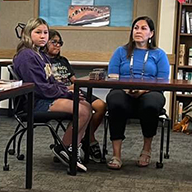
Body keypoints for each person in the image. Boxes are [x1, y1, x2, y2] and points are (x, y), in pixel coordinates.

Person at [12, 18, 93, 172]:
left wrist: (68, 91)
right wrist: (67, 94)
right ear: (28, 34)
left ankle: (69, 147)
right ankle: (66, 148)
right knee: (82, 109)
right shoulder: (27, 56)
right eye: (38, 32)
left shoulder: (40, 55)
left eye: (45, 32)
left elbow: (51, 82)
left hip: (45, 97)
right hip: (35, 102)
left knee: (87, 107)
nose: (43, 36)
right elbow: (39, 88)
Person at [105, 16, 170, 170]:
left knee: (151, 104)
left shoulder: (159, 54)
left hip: (150, 91)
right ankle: (116, 154)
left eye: (143, 28)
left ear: (151, 33)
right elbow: (113, 77)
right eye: (136, 28)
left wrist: (142, 90)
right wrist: (127, 88)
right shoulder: (121, 51)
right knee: (115, 101)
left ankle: (146, 150)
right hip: (123, 90)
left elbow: (162, 81)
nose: (138, 31)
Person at [44, 29, 107, 163]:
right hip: (61, 93)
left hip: (74, 89)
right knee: (83, 109)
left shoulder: (63, 60)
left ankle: (86, 137)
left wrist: (87, 80)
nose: (57, 45)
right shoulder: (42, 61)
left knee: (101, 106)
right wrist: (68, 89)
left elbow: (74, 80)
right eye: (53, 42)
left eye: (59, 42)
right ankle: (81, 141)